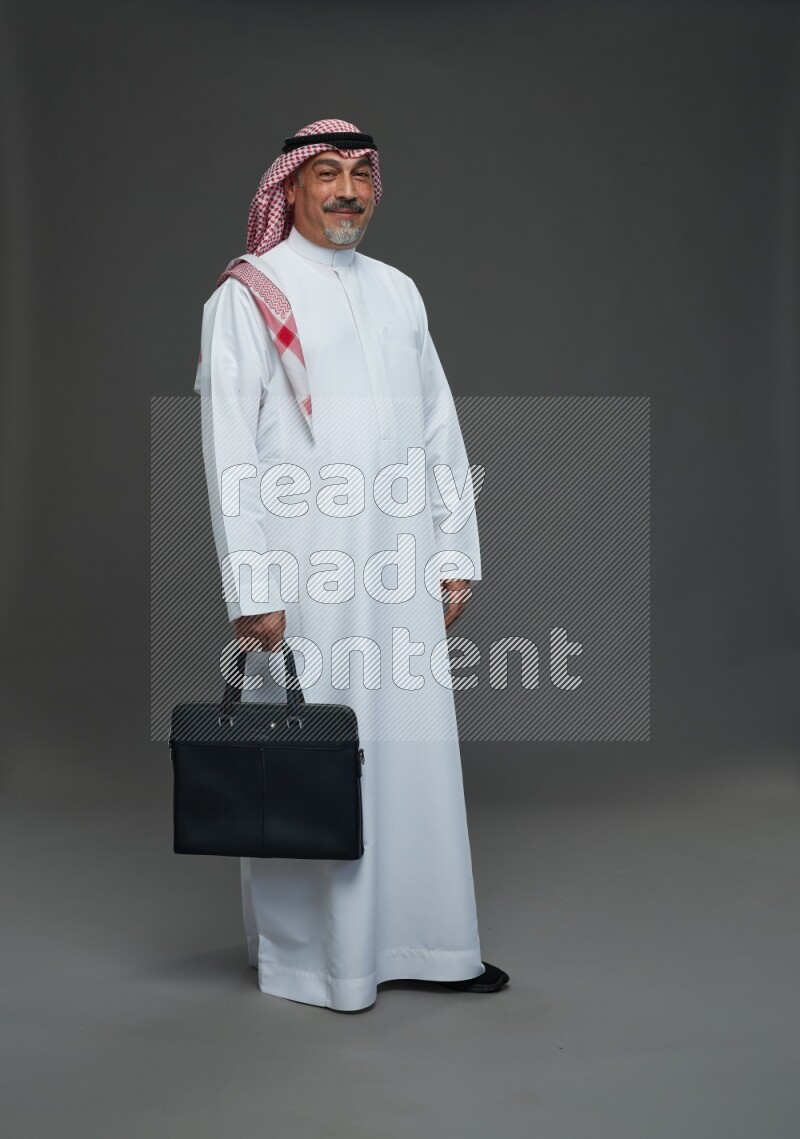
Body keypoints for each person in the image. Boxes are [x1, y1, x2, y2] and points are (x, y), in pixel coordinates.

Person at [194, 117, 509, 1010]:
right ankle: (318, 963)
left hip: (397, 565)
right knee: (314, 757)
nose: (346, 191)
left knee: (410, 754)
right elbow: (229, 451)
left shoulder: (399, 291)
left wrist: (453, 553)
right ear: (288, 188)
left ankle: (431, 945)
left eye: (361, 174)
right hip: (307, 576)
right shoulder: (249, 295)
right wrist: (253, 588)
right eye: (326, 173)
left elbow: (439, 427)